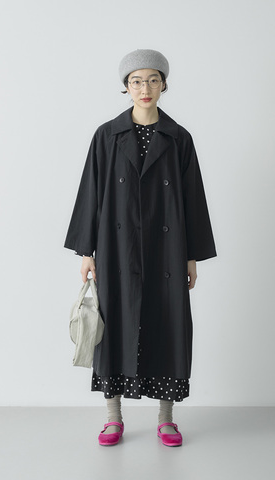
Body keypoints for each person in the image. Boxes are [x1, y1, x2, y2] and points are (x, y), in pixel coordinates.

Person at [64, 49, 217, 447]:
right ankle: (113, 417)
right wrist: (87, 252)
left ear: (164, 84)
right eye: (136, 81)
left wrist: (191, 256)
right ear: (126, 87)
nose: (144, 88)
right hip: (116, 247)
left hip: (167, 248)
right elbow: (91, 193)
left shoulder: (179, 138)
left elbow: (193, 199)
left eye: (152, 80)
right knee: (113, 323)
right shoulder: (107, 136)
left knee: (169, 324)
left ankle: (166, 418)